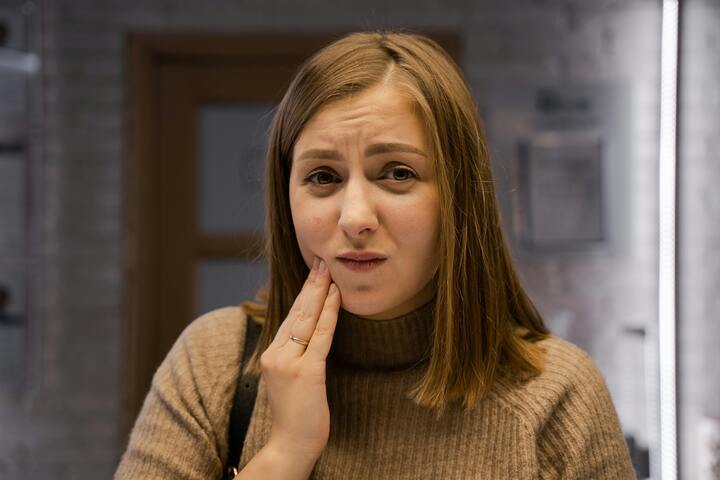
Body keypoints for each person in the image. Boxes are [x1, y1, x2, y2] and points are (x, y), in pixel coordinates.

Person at [115, 31, 635, 479]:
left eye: (397, 173)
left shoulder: (557, 395)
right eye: (323, 177)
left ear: (458, 197)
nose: (355, 217)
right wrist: (285, 453)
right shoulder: (213, 364)